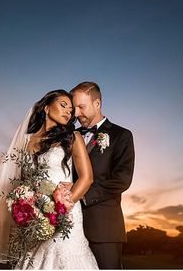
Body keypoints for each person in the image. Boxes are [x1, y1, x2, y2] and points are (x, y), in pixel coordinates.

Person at [0, 89, 98, 269]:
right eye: (63, 105)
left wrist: (61, 210)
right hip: (36, 217)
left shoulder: (73, 137)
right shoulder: (26, 141)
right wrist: (26, 207)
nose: (69, 111)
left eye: (70, 108)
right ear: (46, 107)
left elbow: (87, 178)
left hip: (66, 214)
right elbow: (21, 182)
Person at [69, 81, 135, 269]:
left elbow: (122, 179)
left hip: (104, 228)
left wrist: (81, 195)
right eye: (74, 108)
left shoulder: (122, 135)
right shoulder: (70, 136)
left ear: (97, 103)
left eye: (81, 107)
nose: (76, 114)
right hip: (69, 227)